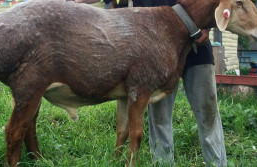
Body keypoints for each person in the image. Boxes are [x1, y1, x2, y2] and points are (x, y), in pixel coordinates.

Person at [73, 0, 227, 166]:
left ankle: (217, 163)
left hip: (197, 51)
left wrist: (208, 28)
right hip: (155, 55)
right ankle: (163, 163)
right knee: (159, 119)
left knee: (208, 114)